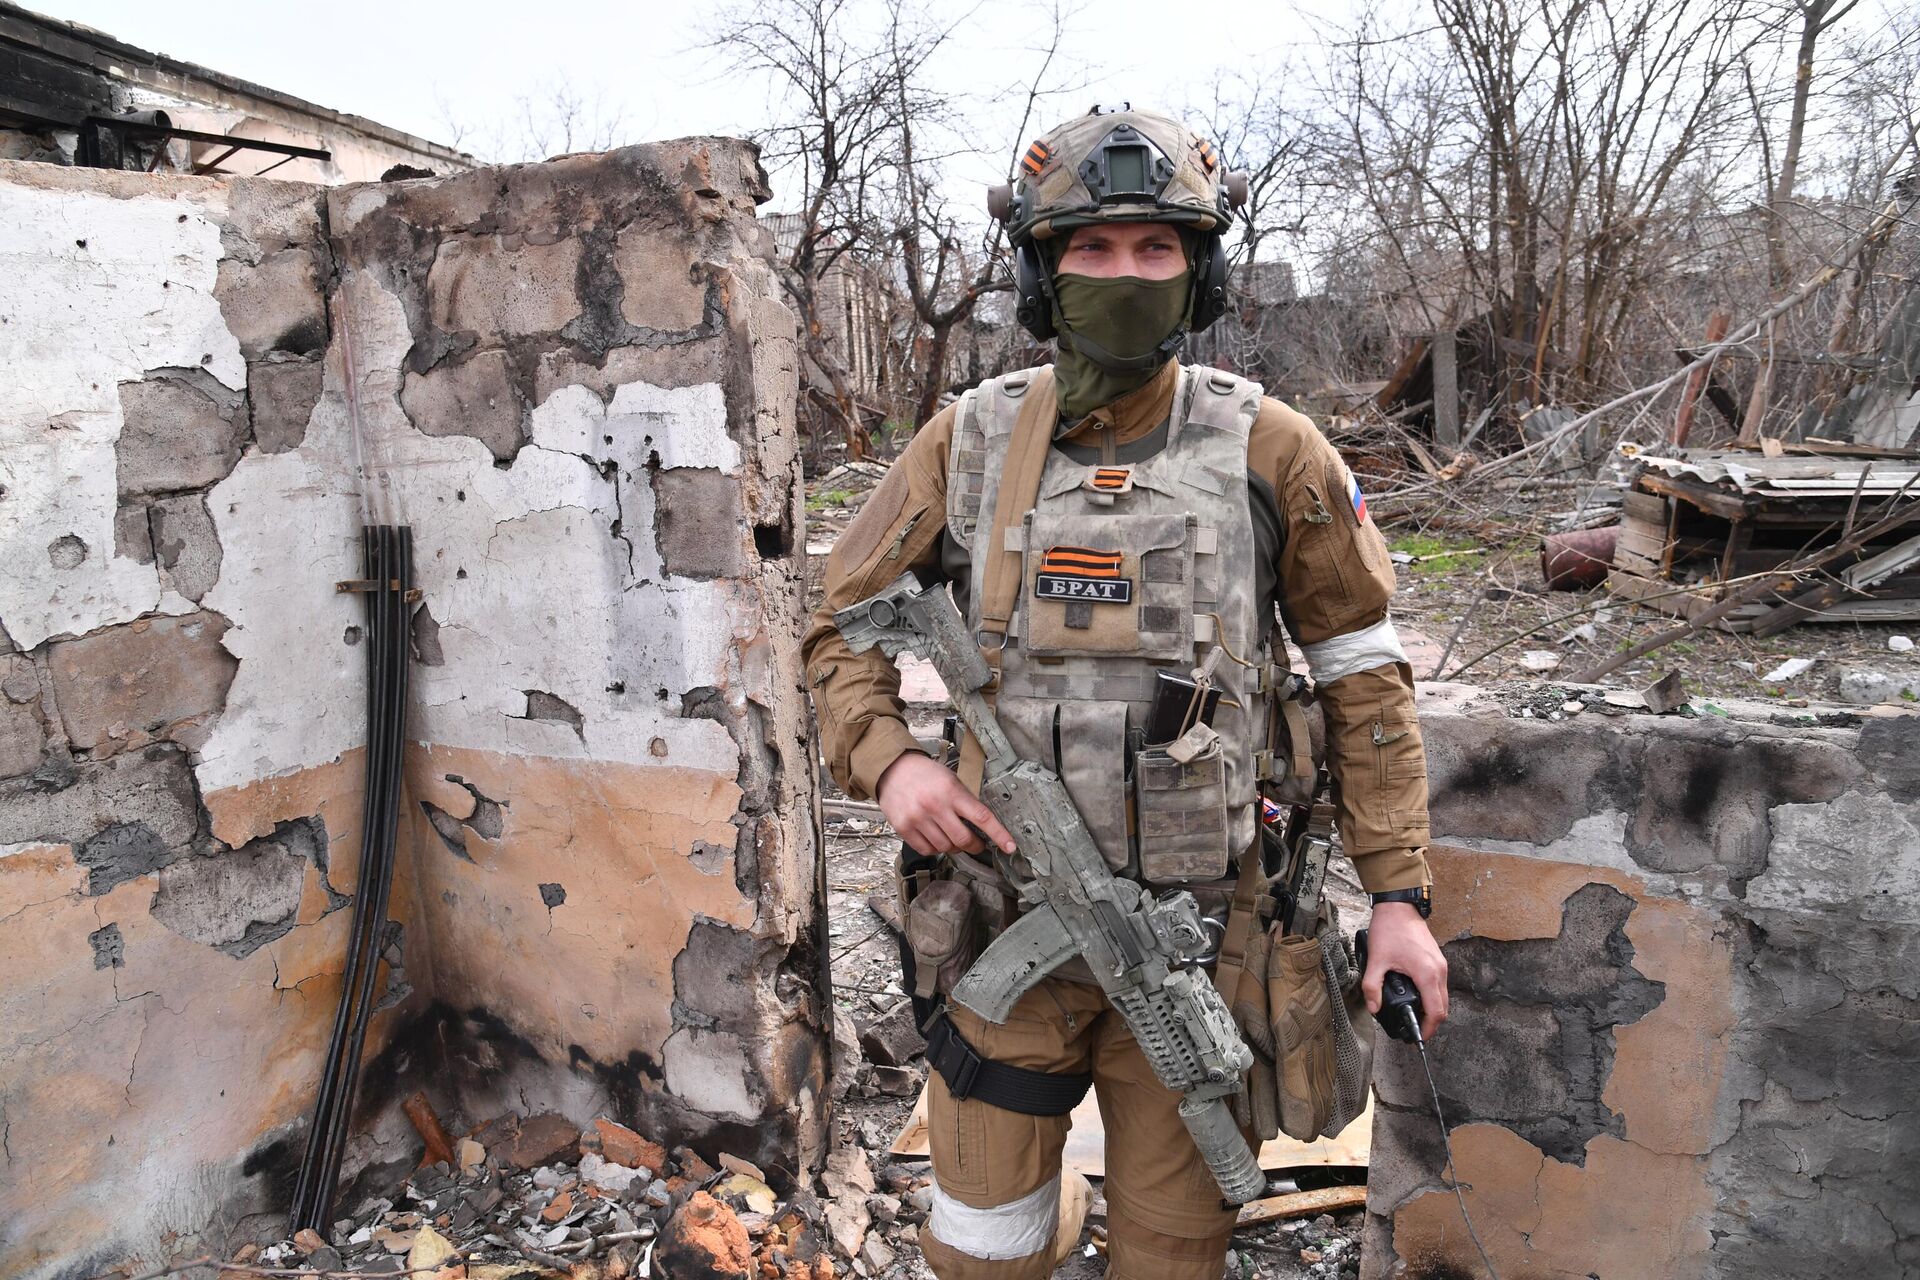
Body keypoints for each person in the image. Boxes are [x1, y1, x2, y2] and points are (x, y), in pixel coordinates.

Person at [802, 105, 1447, 1280]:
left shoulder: (1276, 449)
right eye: (1091, 249)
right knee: (982, 1249)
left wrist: (1398, 895)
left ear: (1197, 268)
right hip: (1004, 924)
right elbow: (838, 621)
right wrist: (891, 760)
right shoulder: (970, 441)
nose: (1125, 273)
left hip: (1205, 948)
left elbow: (1362, 677)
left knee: (1173, 1255)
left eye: (1156, 248)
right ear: (1043, 272)